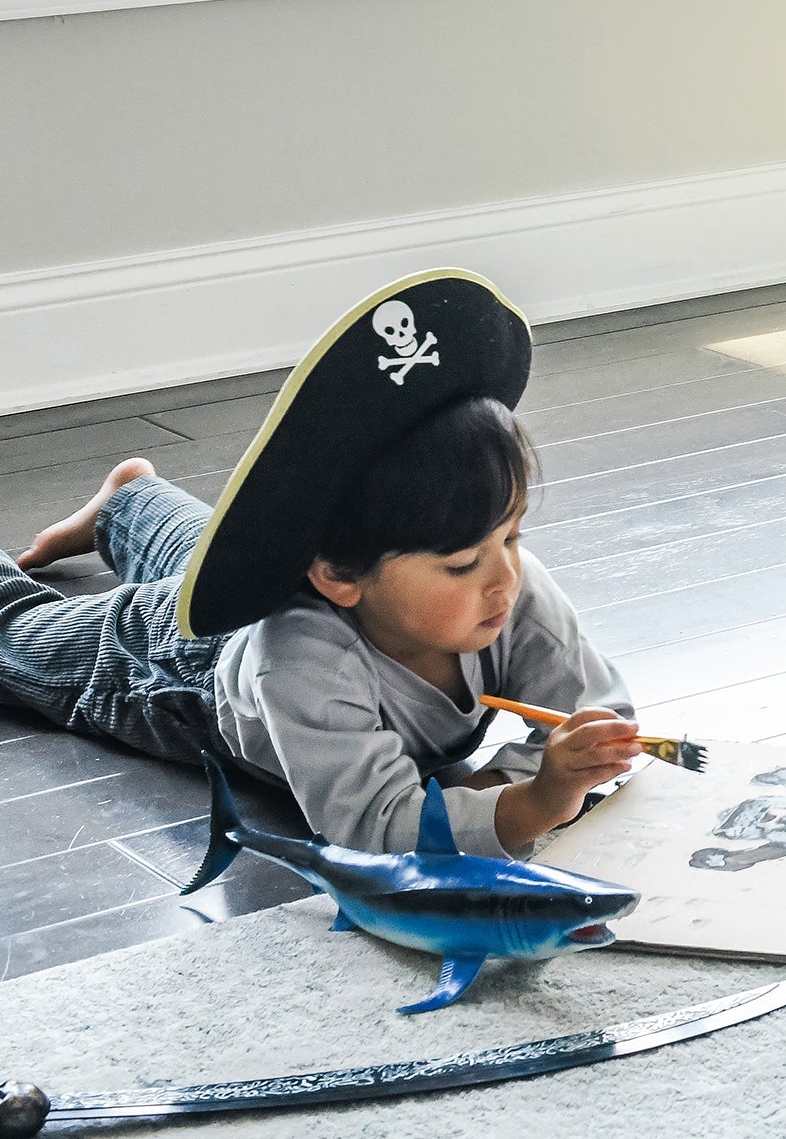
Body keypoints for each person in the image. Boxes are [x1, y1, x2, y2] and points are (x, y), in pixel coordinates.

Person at [0, 270, 639, 852]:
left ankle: (131, 501)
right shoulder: (300, 661)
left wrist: (519, 777)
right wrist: (531, 805)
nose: (506, 578)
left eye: (513, 537)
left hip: (294, 582)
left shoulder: (512, 595)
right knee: (20, 637)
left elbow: (601, 714)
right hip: (180, 668)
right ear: (336, 575)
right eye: (461, 564)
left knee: (215, 554)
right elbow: (378, 831)